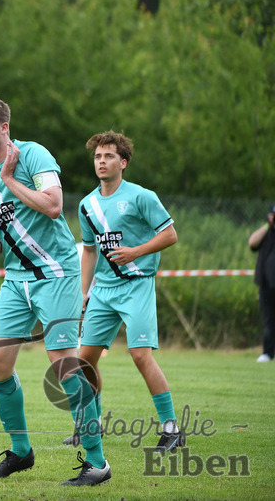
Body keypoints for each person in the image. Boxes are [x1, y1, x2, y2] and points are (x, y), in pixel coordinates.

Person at [0, 97, 109, 486]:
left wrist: (12, 180)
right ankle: (21, 452)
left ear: (4, 126)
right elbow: (11, 219)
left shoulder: (32, 156)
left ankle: (97, 463)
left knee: (63, 365)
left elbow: (52, 205)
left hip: (58, 272)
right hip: (15, 277)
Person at [74, 131, 183, 453]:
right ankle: (90, 427)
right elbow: (90, 252)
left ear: (123, 162)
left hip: (136, 285)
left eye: (108, 156)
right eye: (97, 156)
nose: (102, 162)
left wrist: (136, 252)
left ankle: (172, 429)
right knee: (84, 363)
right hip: (103, 291)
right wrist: (83, 292)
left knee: (140, 355)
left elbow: (170, 235)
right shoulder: (87, 204)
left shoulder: (141, 197)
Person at [248, 203, 275, 363]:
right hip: (266, 285)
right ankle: (268, 353)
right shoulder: (266, 232)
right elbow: (252, 242)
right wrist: (267, 225)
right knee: (269, 320)